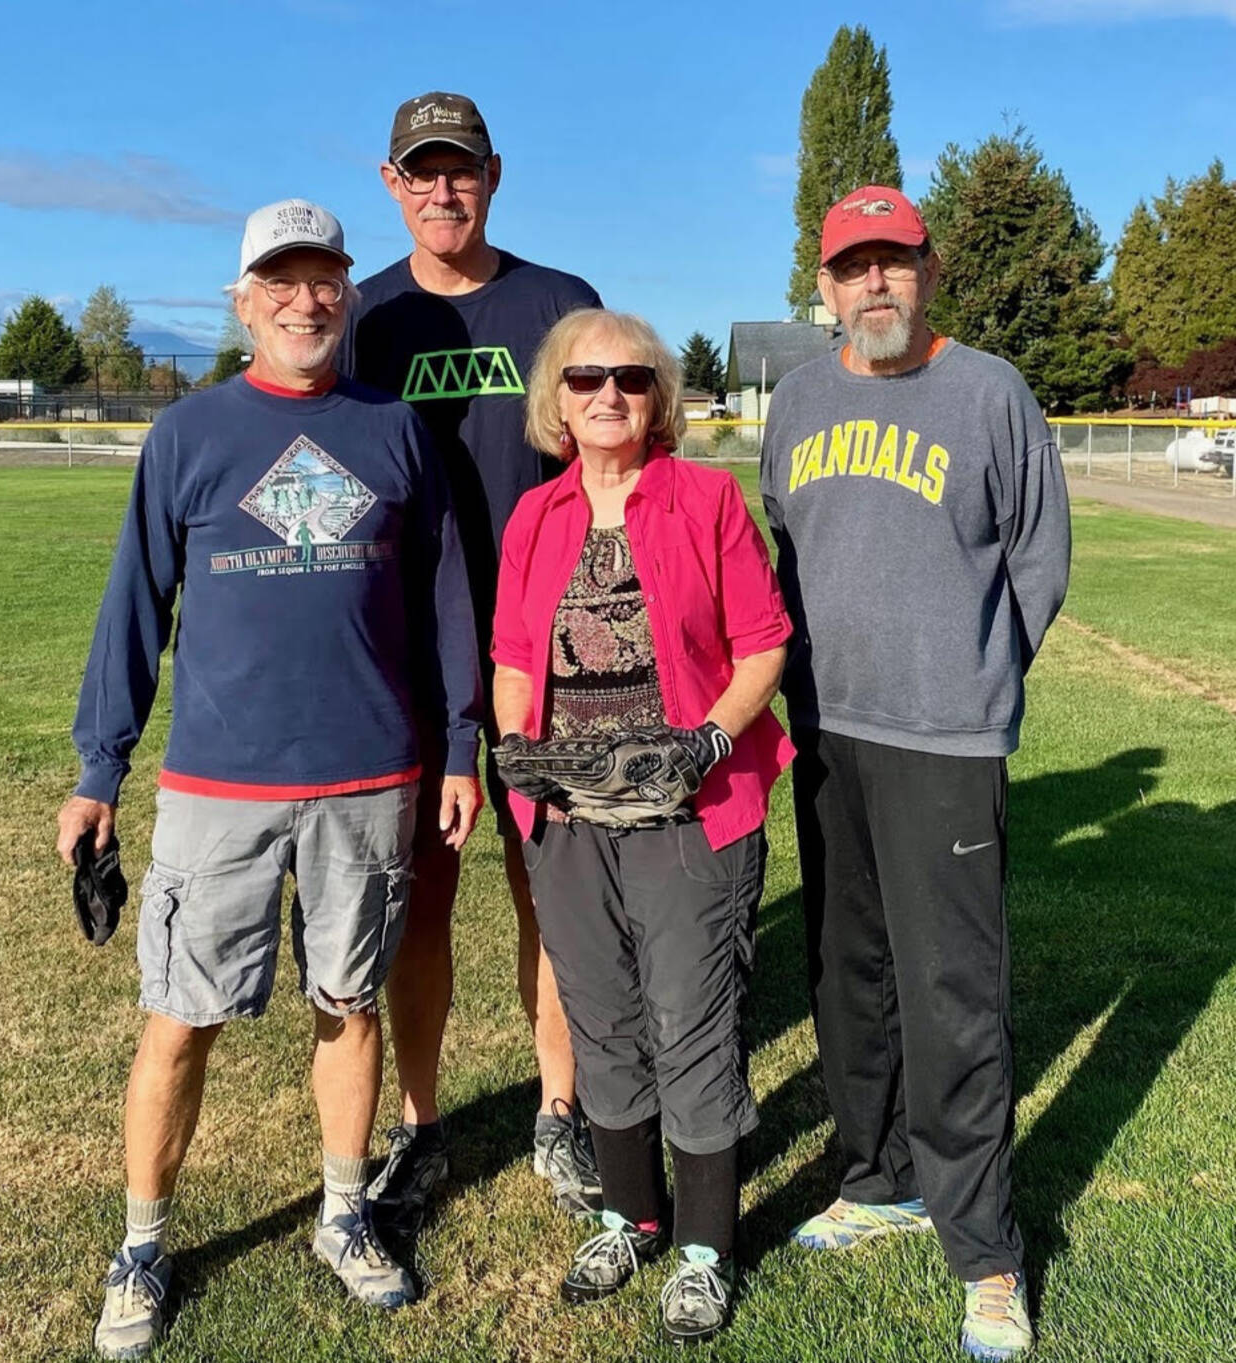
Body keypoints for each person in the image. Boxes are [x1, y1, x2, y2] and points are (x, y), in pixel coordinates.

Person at [55, 199, 482, 1359]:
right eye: (280, 281)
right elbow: (134, 607)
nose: (306, 299)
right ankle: (143, 1242)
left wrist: (459, 741)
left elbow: (444, 597)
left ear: (347, 292)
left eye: (323, 278)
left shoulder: (393, 429)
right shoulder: (191, 437)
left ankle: (345, 1214)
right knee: (180, 1020)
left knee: (346, 1005)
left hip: (370, 776)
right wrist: (102, 767)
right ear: (242, 301)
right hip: (220, 786)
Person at [760, 185, 1071, 1361]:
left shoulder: (987, 391)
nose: (874, 283)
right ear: (826, 285)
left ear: (928, 272)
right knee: (848, 971)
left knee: (954, 991)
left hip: (944, 736)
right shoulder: (796, 397)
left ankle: (983, 1248)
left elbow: (1036, 558)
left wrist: (978, 673)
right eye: (854, 267)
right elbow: (782, 551)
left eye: (894, 261)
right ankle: (876, 1174)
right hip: (828, 729)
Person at [491, 309, 793, 1343]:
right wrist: (516, 752)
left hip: (688, 816)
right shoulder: (535, 518)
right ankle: (631, 1213)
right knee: (603, 1017)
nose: (606, 395)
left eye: (628, 376)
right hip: (569, 818)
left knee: (690, 1018)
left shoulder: (703, 500)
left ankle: (705, 1245)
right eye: (584, 379)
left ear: (655, 393)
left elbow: (762, 646)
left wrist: (706, 743)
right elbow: (515, 660)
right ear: (557, 399)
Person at [349, 91, 604, 1225]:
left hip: (549, 650)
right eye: (421, 172)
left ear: (493, 176)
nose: (441, 189)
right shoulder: (360, 318)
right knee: (421, 896)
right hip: (406, 656)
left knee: (552, 885)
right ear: (390, 184)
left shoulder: (558, 305)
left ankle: (562, 1110)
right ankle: (419, 1123)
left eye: (460, 170)